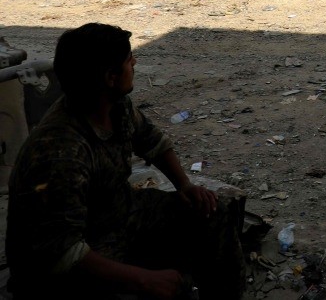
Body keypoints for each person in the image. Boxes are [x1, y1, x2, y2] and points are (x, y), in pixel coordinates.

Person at [5, 23, 244, 299]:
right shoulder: (60, 153)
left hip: (117, 216)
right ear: (110, 77)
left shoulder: (113, 106)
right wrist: (145, 280)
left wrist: (185, 185)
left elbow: (152, 142)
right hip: (63, 266)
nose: (135, 63)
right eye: (129, 60)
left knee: (213, 213)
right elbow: (65, 253)